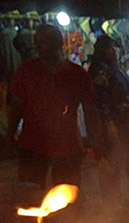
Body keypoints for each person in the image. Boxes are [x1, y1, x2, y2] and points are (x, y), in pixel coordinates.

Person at [7, 24, 103, 190]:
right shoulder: (27, 71)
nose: (38, 46)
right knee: (30, 199)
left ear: (57, 43)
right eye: (37, 42)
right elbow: (17, 107)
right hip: (33, 146)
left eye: (43, 42)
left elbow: (90, 111)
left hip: (68, 148)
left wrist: (97, 141)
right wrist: (9, 136)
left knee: (66, 200)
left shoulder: (77, 74)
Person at [89, 34, 129, 206]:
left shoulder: (114, 68)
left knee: (119, 162)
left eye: (115, 47)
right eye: (111, 47)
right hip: (113, 125)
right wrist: (109, 124)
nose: (116, 50)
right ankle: (111, 201)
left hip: (126, 122)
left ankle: (117, 196)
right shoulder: (100, 70)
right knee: (111, 163)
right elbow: (99, 101)